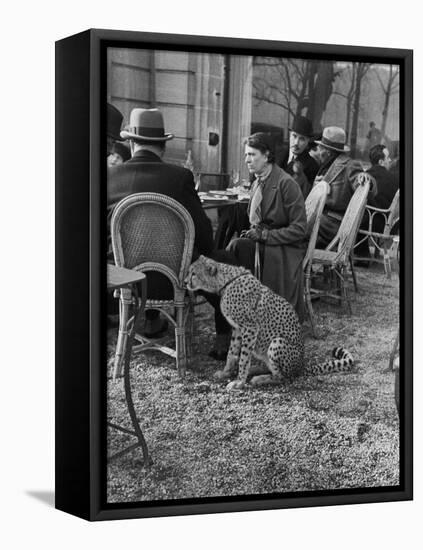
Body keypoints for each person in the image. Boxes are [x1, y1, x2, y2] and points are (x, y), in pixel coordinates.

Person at [107, 108, 214, 336]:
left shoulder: (109, 177)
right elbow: (205, 237)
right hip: (172, 280)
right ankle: (223, 338)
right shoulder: (180, 177)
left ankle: (145, 322)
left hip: (123, 280)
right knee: (223, 258)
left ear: (132, 145)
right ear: (163, 147)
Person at [227, 132, 307, 322]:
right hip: (265, 244)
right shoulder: (258, 182)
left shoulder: (286, 184)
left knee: (236, 248)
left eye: (252, 154)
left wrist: (265, 236)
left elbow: (300, 229)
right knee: (230, 230)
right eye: (246, 154)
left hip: (283, 249)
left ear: (267, 155)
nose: (247, 160)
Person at [313, 126, 371, 248]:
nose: (318, 150)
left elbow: (364, 185)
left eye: (320, 147)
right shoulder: (325, 164)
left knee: (295, 224)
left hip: (334, 224)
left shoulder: (349, 165)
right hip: (322, 219)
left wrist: (364, 177)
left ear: (327, 151)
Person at [280, 115, 319, 199]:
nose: (296, 142)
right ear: (290, 135)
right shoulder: (278, 154)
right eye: (294, 136)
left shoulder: (312, 166)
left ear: (308, 141)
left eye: (302, 139)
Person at [366, 144, 399, 233]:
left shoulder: (364, 177)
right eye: (387, 158)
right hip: (389, 226)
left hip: (367, 224)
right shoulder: (394, 179)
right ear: (381, 162)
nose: (390, 160)